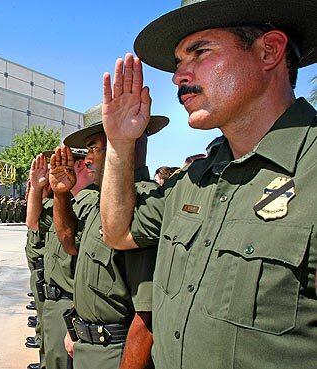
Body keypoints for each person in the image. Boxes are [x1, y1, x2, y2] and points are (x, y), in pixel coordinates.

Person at [99, 1, 317, 368]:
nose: (178, 76)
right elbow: (118, 233)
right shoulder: (194, 180)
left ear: (269, 51)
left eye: (199, 52)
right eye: (178, 62)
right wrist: (121, 145)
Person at [56, 110, 166, 369]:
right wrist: (75, 327)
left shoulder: (144, 204)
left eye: (94, 147)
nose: (89, 159)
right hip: (87, 346)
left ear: (129, 139)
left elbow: (147, 314)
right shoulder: (103, 203)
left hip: (116, 354)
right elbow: (72, 248)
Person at [41, 147, 95, 369]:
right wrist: (39, 187)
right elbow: (33, 223)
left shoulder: (91, 202)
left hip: (72, 306)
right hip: (57, 302)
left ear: (80, 165)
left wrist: (74, 321)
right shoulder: (69, 203)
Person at [26, 154, 55, 369]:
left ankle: (44, 359)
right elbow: (32, 222)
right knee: (44, 319)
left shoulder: (57, 205)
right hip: (41, 268)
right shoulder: (46, 205)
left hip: (49, 273)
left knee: (47, 322)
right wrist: (35, 188)